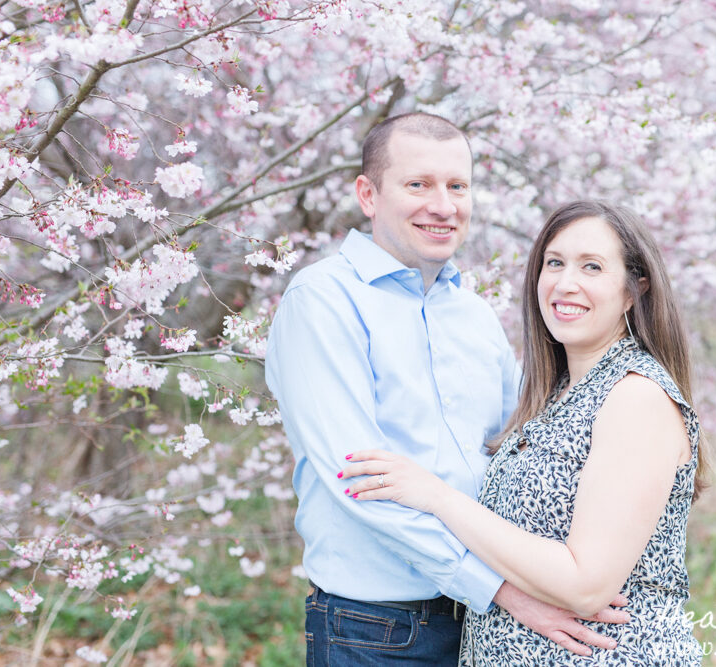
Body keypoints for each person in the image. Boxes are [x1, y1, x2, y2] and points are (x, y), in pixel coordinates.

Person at [266, 117, 629, 666]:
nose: (443, 205)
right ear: (368, 194)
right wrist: (503, 590)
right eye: (418, 185)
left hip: (491, 625)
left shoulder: (473, 313)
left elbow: (523, 447)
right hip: (381, 629)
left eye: (457, 186)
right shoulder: (321, 302)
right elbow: (360, 483)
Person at [341, 200, 709, 664]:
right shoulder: (555, 395)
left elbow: (586, 584)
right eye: (554, 263)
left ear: (634, 289)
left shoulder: (635, 397)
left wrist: (438, 497)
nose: (565, 283)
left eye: (591, 266)